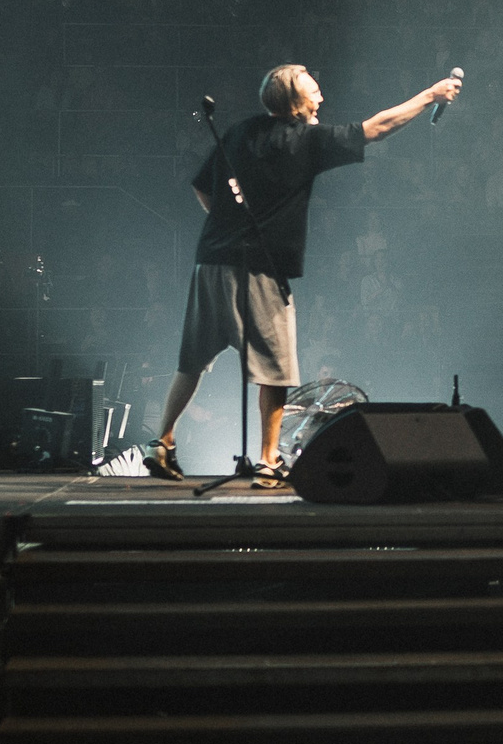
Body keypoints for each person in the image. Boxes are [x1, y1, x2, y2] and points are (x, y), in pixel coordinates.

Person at [145, 63, 462, 483]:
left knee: (194, 359)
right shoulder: (307, 141)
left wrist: (229, 223)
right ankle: (268, 460)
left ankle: (163, 443)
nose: (321, 98)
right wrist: (429, 96)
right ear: (296, 104)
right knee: (274, 369)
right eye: (314, 91)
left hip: (211, 261)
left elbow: (203, 187)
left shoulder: (239, 132)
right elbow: (378, 128)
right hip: (260, 271)